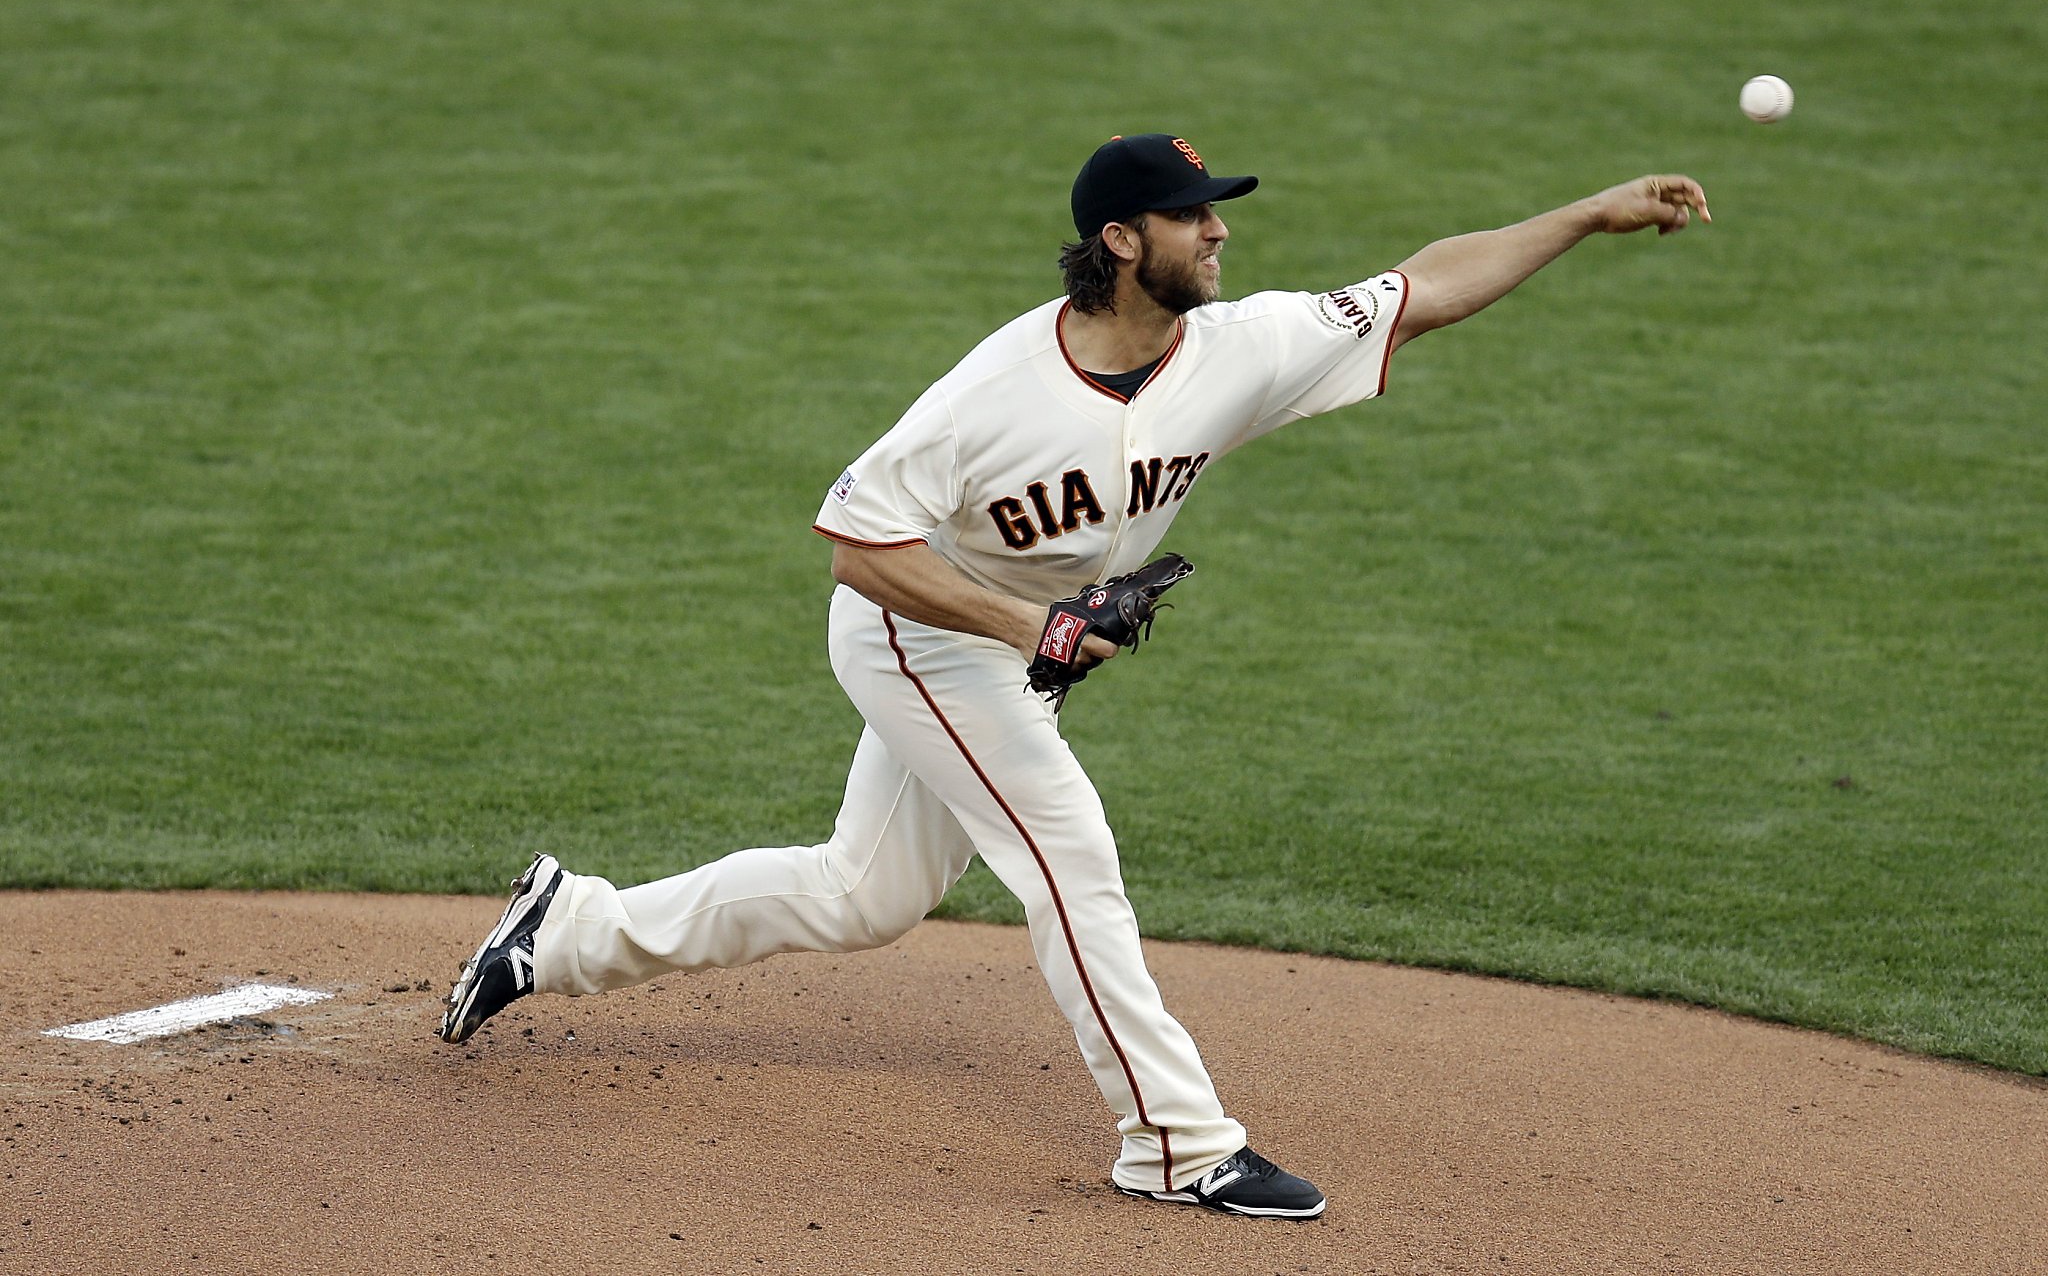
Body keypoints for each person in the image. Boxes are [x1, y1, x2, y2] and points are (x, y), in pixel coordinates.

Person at [438, 133, 1709, 1221]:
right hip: (919, 634)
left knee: (862, 896)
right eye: (1190, 217)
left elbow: (1419, 289)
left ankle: (566, 931)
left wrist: (1588, 214)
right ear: (1117, 238)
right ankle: (1175, 1143)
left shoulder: (1236, 347)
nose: (1216, 235)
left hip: (1003, 638)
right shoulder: (988, 395)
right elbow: (852, 546)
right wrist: (1024, 632)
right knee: (1067, 848)